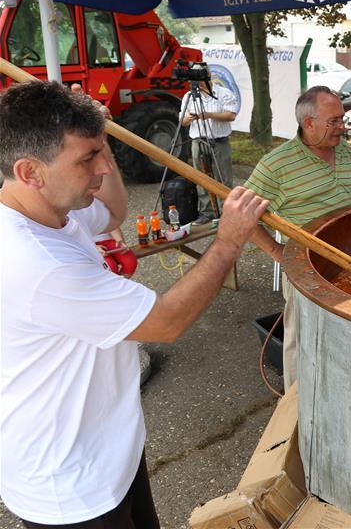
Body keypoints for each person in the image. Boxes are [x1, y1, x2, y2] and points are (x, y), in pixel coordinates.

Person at [0, 80, 268, 528]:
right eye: (88, 158)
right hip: (70, 485)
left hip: (108, 450)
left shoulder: (50, 209)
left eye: (104, 150)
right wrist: (227, 243)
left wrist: (99, 134)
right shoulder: (38, 264)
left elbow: (114, 212)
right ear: (30, 172)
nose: (105, 166)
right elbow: (165, 322)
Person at [245, 86, 351, 388]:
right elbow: (241, 215)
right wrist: (277, 252)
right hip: (308, 269)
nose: (342, 127)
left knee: (349, 332)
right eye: (334, 121)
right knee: (300, 339)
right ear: (308, 123)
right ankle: (295, 408)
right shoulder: (277, 165)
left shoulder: (345, 153)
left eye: (342, 119)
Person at [180, 80, 239, 224]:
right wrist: (189, 118)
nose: (197, 83)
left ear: (207, 77)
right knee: (200, 179)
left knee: (223, 179)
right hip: (198, 141)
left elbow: (231, 115)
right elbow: (182, 121)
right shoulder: (189, 95)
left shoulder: (224, 93)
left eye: (199, 80)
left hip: (219, 141)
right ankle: (206, 212)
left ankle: (226, 213)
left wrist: (209, 115)